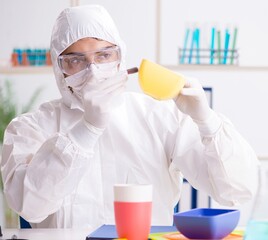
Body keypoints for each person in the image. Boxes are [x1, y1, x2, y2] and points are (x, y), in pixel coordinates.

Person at [1, 4, 259, 230]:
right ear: (60, 68)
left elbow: (237, 190)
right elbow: (29, 205)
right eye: (76, 60)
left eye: (103, 55)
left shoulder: (159, 116)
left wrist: (207, 122)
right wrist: (86, 130)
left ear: (120, 57)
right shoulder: (28, 128)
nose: (93, 70)